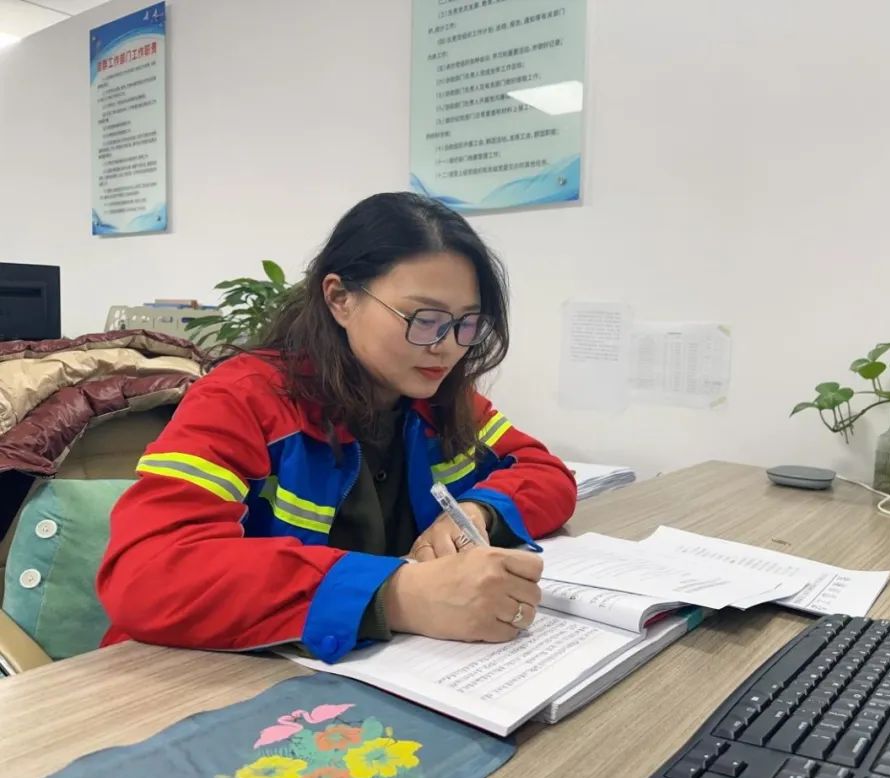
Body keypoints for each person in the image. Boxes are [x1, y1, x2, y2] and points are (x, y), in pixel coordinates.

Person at [96, 192, 577, 663]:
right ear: (340, 299)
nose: (446, 346)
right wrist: (397, 594)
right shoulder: (241, 399)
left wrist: (477, 511)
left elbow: (545, 472)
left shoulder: (440, 399)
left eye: (466, 323)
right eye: (423, 318)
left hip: (373, 669)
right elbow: (146, 572)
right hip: (189, 675)